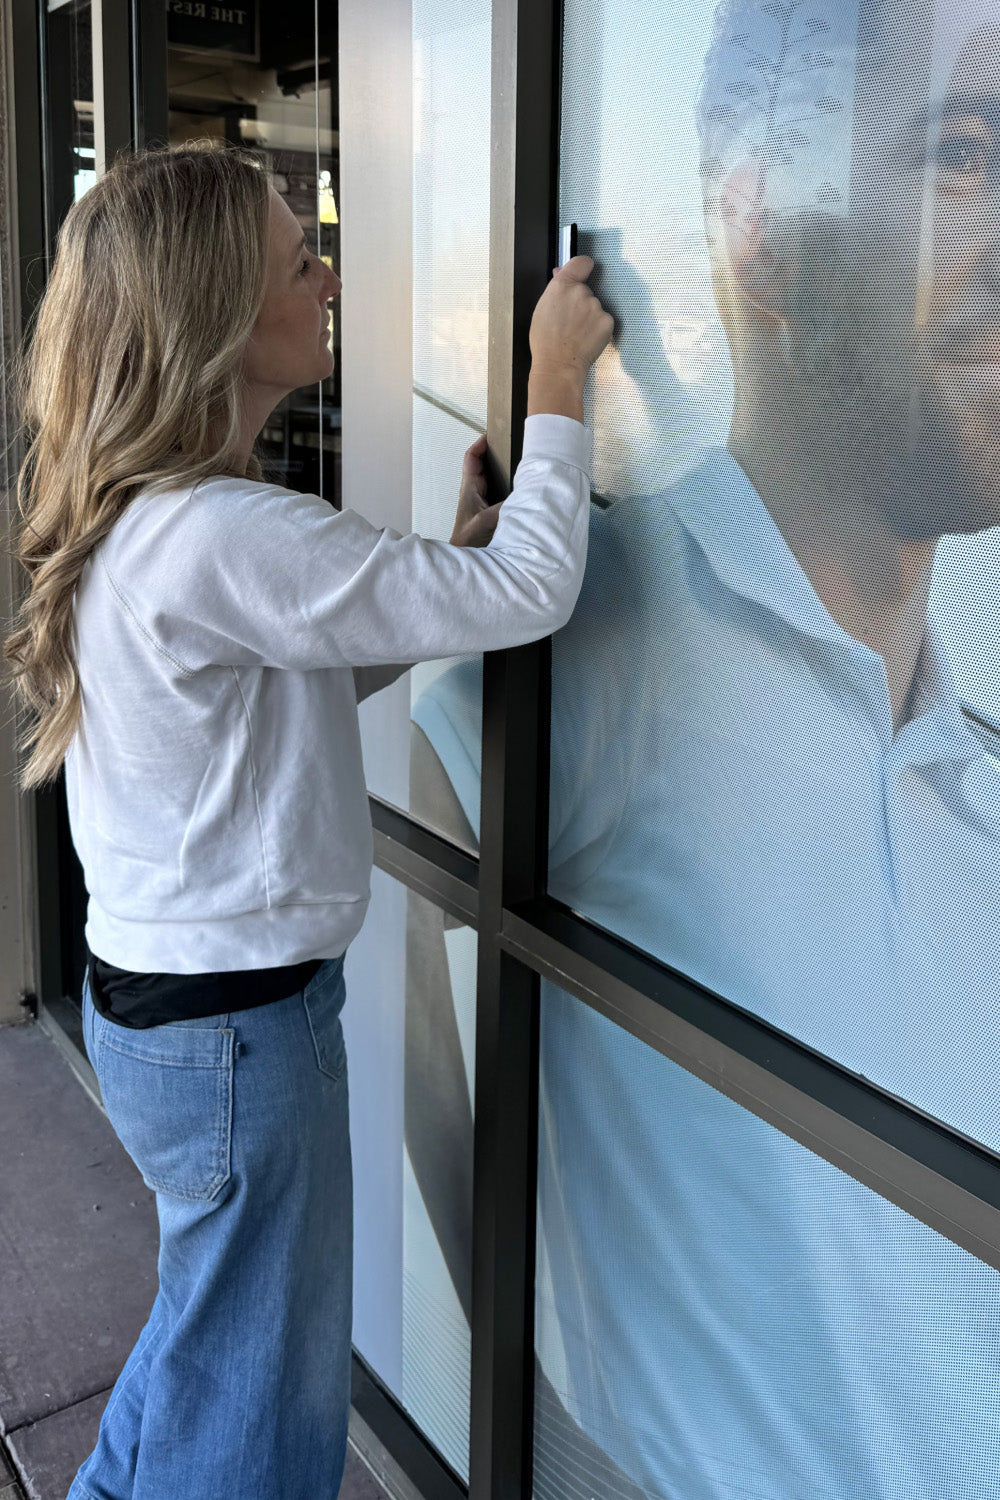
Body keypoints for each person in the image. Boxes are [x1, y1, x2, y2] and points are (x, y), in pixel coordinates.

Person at [407, 1, 1000, 1495]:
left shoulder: (974, 755)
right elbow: (407, 934)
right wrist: (527, 1400)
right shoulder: (620, 628)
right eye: (963, 149)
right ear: (763, 233)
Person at [2, 143, 612, 1500]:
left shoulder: (154, 528)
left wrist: (445, 566)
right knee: (263, 1429)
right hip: (241, 1041)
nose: (329, 269)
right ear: (219, 322)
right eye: (301, 256)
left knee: (209, 1331)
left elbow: (317, 661)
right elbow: (538, 590)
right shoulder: (224, 531)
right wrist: (559, 380)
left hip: (172, 1026)